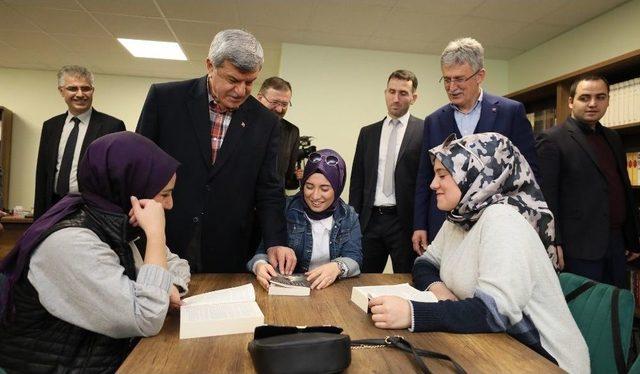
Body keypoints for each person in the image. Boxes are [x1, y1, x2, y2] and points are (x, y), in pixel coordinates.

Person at [369, 133, 586, 373]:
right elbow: (424, 263)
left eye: (442, 175)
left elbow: (494, 312)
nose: (433, 184)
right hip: (497, 346)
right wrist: (440, 291)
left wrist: (412, 313)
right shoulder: (460, 218)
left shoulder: (503, 220)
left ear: (474, 177)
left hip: (543, 360)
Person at [0, 132, 190, 372]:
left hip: (103, 359)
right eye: (164, 194)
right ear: (127, 185)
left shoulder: (119, 221)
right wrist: (156, 235)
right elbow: (147, 317)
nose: (170, 204)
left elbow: (177, 264)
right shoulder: (70, 242)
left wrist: (167, 285)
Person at [136, 29, 289, 273]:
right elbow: (139, 166)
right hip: (166, 231)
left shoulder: (266, 122)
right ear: (210, 65)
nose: (241, 91)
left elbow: (269, 187)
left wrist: (276, 240)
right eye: (232, 80)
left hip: (227, 243)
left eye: (249, 82)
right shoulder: (165, 99)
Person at [412, 37, 539, 255]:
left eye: (459, 79)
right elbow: (425, 177)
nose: (452, 87)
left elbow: (529, 174)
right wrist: (419, 224)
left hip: (495, 225)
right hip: (444, 223)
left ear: (480, 75)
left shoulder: (511, 112)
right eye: (446, 79)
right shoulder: (434, 120)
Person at [536, 75, 640, 288]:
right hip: (578, 247)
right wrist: (554, 242)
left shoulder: (613, 138)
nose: (593, 104)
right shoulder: (552, 139)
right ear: (571, 102)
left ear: (608, 101)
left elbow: (622, 188)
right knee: (584, 312)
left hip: (616, 243)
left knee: (615, 308)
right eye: (585, 98)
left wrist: (631, 237)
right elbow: (547, 196)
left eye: (600, 97)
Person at [248, 149, 362, 290]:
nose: (315, 196)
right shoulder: (284, 209)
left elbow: (355, 258)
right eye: (309, 187)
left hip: (330, 290)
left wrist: (337, 267)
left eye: (324, 189)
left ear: (338, 188)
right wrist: (259, 265)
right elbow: (260, 253)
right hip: (289, 291)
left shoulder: (348, 216)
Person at [349, 69, 423, 273]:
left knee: (407, 279)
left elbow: (426, 182)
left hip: (405, 223)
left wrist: (421, 225)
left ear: (413, 97)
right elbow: (358, 181)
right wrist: (352, 222)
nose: (396, 98)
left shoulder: (424, 131)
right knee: (361, 280)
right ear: (385, 93)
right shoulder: (368, 133)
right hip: (370, 221)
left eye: (403, 93)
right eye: (391, 91)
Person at [34, 65, 126, 219]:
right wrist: (38, 219)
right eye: (72, 88)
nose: (80, 94)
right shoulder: (50, 126)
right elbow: (42, 174)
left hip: (93, 211)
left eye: (85, 88)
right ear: (61, 91)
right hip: (54, 207)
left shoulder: (112, 126)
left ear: (92, 90)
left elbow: (118, 177)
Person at [256, 76, 302, 190]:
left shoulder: (292, 132)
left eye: (285, 104)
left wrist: (299, 178)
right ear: (260, 98)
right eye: (275, 102)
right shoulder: (241, 123)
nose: (279, 109)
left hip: (273, 203)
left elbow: (288, 181)